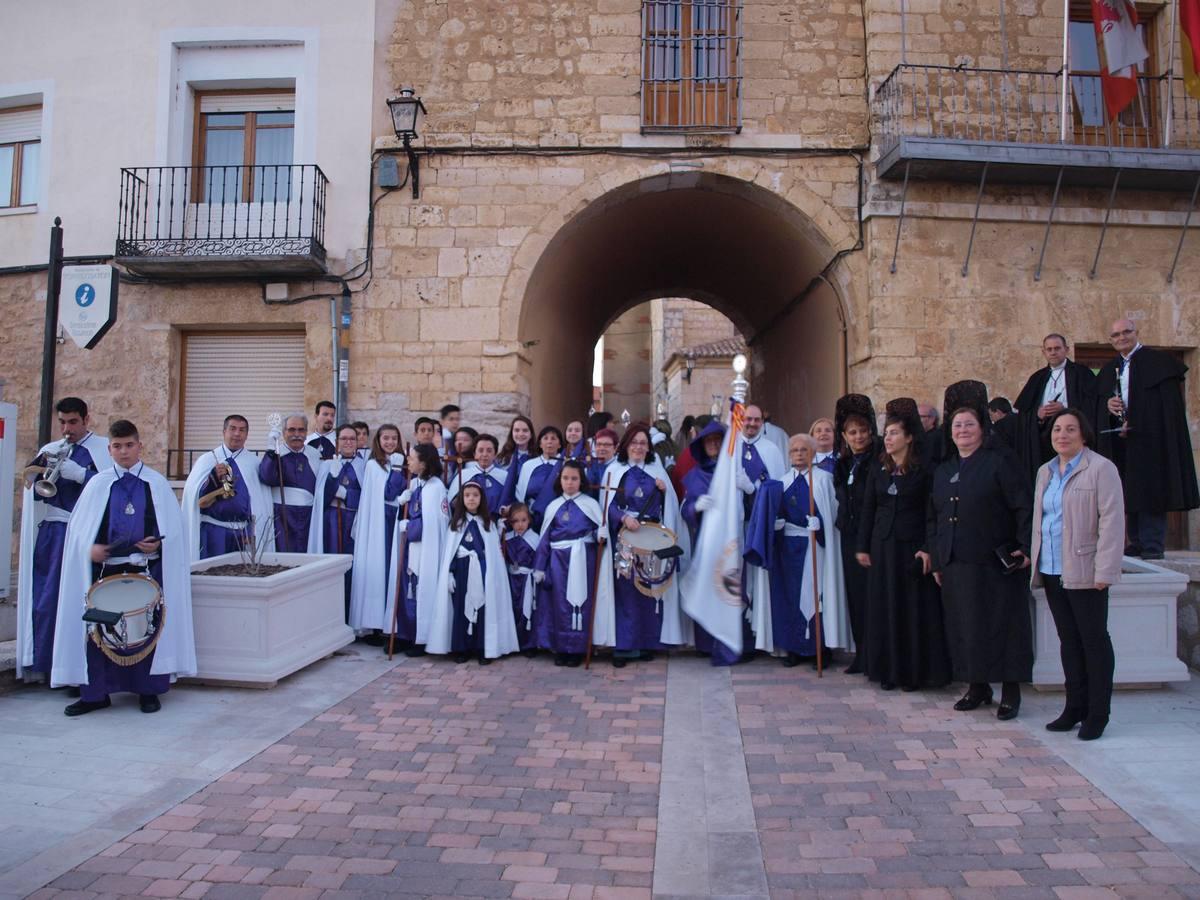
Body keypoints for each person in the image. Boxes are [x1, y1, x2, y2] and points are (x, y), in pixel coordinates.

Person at [52, 420, 196, 715]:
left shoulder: (155, 483)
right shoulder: (98, 484)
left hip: (144, 570)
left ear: (139, 446)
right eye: (117, 446)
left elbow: (173, 531)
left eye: (129, 445)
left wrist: (158, 545)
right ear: (109, 449)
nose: (124, 452)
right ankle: (96, 694)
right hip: (105, 573)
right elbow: (79, 532)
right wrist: (88, 549)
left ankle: (147, 691)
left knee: (147, 629)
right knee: (98, 632)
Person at [929, 396, 1034, 721]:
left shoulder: (1000, 461)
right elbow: (935, 517)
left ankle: (1011, 692)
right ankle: (978, 687)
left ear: (982, 429)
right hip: (955, 562)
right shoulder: (944, 470)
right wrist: (937, 559)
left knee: (1003, 626)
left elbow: (1023, 506)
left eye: (969, 424)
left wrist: (1025, 546)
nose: (962, 430)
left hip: (995, 562)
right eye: (957, 425)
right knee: (966, 627)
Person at [1030, 409, 1124, 741]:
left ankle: (1098, 713)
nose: (1062, 434)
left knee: (1094, 641)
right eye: (1057, 429)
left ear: (1083, 435)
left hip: (1086, 570)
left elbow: (1112, 522)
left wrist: (1106, 570)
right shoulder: (1045, 472)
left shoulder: (1101, 469)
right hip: (1053, 568)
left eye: (1070, 429)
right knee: (1069, 642)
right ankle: (1075, 707)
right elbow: (1042, 522)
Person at [17, 397, 112, 684]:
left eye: (73, 422)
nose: (67, 428)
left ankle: (81, 672)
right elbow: (32, 487)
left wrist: (82, 474)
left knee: (81, 601)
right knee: (48, 600)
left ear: (87, 419)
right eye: (62, 422)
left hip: (86, 532)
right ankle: (48, 667)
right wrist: (39, 474)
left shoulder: (103, 448)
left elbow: (112, 485)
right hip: (53, 532)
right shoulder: (51, 449)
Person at [855, 405, 949, 692]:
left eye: (894, 433)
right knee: (886, 605)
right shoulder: (878, 468)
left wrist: (927, 547)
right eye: (886, 434)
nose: (888, 439)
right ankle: (888, 669)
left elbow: (931, 512)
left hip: (912, 547)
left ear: (909, 437)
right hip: (883, 545)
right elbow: (868, 508)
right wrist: (862, 546)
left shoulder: (925, 470)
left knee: (911, 608)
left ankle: (912, 672)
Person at [1093, 319, 1199, 559]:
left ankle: (1152, 543)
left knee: (1151, 489)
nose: (1121, 338)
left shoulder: (1157, 363)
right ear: (1111, 340)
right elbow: (1099, 404)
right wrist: (1108, 407)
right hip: (1121, 441)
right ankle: (1136, 541)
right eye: (1116, 335)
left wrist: (1140, 420)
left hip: (1152, 439)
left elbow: (1166, 409)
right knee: (1127, 489)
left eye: (1126, 332)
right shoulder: (1110, 369)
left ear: (1136, 333)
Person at [746, 433, 848, 666]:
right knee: (788, 596)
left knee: (816, 596)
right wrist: (775, 526)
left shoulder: (823, 480)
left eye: (804, 450)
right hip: (787, 550)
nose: (799, 454)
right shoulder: (781, 483)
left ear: (812, 453)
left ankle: (819, 649)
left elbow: (833, 512)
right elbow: (770, 515)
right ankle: (793, 647)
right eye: (794, 450)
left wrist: (821, 524)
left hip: (814, 547)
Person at [603, 423, 687, 667]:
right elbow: (607, 505)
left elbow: (668, 506)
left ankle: (646, 643)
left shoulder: (656, 472)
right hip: (626, 537)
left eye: (643, 443)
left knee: (649, 589)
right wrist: (623, 518)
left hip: (651, 537)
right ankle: (625, 646)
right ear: (626, 445)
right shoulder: (615, 471)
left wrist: (664, 492)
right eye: (634, 442)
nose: (639, 447)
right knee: (626, 590)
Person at [532, 460, 615, 667]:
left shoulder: (591, 505)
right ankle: (561, 648)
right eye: (566, 478)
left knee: (582, 604)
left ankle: (578, 649)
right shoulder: (553, 506)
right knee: (559, 604)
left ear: (581, 481)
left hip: (583, 562)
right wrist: (540, 567)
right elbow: (545, 539)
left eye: (574, 478)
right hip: (558, 563)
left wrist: (600, 534)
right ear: (559, 480)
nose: (569, 483)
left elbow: (599, 538)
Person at [427, 483, 520, 663]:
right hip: (462, 572)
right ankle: (462, 648)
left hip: (484, 571)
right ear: (462, 498)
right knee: (461, 608)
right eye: (467, 495)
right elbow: (450, 552)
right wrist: (450, 573)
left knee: (484, 609)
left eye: (475, 495)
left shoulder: (488, 524)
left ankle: (482, 647)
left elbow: (493, 552)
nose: (471, 499)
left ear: (481, 499)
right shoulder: (456, 524)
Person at [680, 420, 742, 665]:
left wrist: (746, 489)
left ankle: (729, 643)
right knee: (708, 585)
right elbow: (685, 511)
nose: (714, 445)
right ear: (702, 446)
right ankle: (706, 643)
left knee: (730, 587)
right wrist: (695, 506)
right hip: (706, 541)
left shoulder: (734, 469)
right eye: (709, 442)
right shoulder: (694, 476)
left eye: (718, 440)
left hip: (731, 540)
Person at [831, 394, 881, 675]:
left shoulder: (876, 461)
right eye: (853, 432)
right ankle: (861, 652)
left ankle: (875, 655)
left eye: (863, 431)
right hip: (849, 536)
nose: (859, 436)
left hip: (871, 537)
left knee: (873, 598)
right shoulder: (843, 465)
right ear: (845, 436)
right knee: (856, 597)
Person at [180, 415, 273, 562]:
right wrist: (213, 478)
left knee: (242, 575)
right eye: (233, 429)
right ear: (224, 431)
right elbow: (194, 495)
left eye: (242, 430)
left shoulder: (253, 462)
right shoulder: (207, 459)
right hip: (214, 532)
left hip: (243, 533)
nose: (237, 434)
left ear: (247, 435)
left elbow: (260, 499)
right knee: (212, 574)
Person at [347, 424, 407, 644]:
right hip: (380, 522)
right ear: (378, 441)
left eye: (394, 438)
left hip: (396, 520)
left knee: (394, 572)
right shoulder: (373, 465)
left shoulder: (403, 461)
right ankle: (373, 625)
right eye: (386, 438)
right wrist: (398, 471)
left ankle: (391, 624)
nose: (390, 442)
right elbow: (389, 492)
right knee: (379, 570)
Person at [1012, 333, 1098, 484]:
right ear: (1043, 352)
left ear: (1066, 349)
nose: (1053, 352)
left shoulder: (1082, 374)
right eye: (1049, 349)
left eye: (1057, 348)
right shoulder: (1037, 378)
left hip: (1073, 438)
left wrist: (1065, 409)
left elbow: (1093, 406)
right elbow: (1023, 414)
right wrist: (1037, 414)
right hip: (1044, 441)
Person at [258, 414, 321, 552]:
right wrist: (271, 450)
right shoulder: (276, 454)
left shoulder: (315, 455)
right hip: (281, 516)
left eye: (301, 430)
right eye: (291, 430)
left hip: (308, 516)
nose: (296, 434)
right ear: (284, 432)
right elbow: (266, 477)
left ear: (306, 432)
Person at [503, 503, 541, 652]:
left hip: (527, 580)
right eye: (515, 521)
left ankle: (528, 644)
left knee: (528, 610)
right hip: (511, 579)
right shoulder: (506, 538)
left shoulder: (534, 539)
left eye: (523, 520)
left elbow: (540, 557)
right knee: (512, 610)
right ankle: (513, 643)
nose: (520, 525)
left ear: (529, 520)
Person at [514, 425, 565, 530]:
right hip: (532, 515)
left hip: (558, 516)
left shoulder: (566, 465)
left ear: (559, 444)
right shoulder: (528, 465)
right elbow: (520, 493)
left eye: (553, 438)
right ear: (540, 444)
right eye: (545, 438)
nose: (549, 441)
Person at [449, 433, 508, 514]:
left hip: (495, 523)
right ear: (474, 454)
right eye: (480, 450)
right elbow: (452, 503)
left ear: (495, 454)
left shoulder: (504, 476)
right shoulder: (463, 475)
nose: (484, 454)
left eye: (489, 451)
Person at [498, 414, 536, 512]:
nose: (520, 434)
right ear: (512, 433)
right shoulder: (501, 458)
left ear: (531, 434)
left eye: (525, 430)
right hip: (505, 507)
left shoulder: (537, 458)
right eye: (517, 430)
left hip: (528, 508)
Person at [585, 427, 618, 498]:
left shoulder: (620, 468)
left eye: (606, 445)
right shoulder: (591, 465)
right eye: (598, 444)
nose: (602, 448)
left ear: (615, 448)